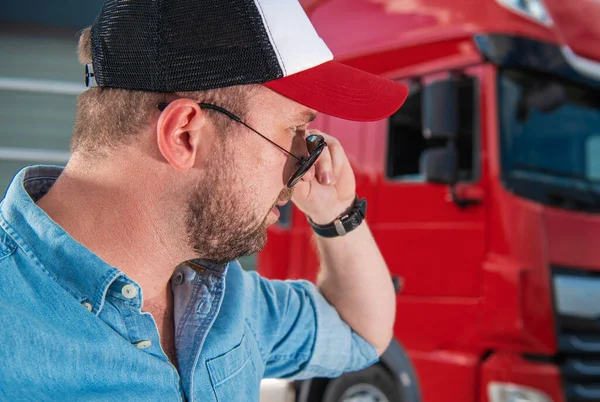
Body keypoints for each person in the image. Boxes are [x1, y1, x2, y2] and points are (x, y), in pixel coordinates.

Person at [0, 0, 408, 400]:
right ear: (184, 135)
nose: (303, 169)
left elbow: (361, 332)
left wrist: (337, 214)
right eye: (293, 133)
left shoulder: (224, 300)